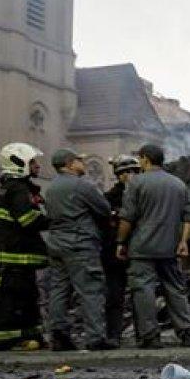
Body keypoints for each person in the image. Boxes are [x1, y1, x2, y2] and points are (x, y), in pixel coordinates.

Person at [117, 144, 190, 349]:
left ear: (145, 159)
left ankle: (150, 337)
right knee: (175, 290)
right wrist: (183, 242)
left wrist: (120, 242)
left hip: (142, 248)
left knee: (144, 290)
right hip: (169, 248)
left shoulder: (137, 183)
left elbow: (127, 218)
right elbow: (189, 217)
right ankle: (187, 332)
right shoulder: (178, 184)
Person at [45, 149, 116, 351]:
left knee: (59, 290)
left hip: (56, 243)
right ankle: (95, 338)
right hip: (80, 243)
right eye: (79, 161)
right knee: (91, 289)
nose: (83, 164)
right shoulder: (81, 185)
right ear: (69, 163)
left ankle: (59, 336)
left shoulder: (51, 188)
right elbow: (103, 208)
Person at [0, 143, 50, 352]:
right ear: (19, 163)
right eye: (32, 162)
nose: (37, 166)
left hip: (14, 258)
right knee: (11, 300)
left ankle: (30, 336)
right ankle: (6, 339)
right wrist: (53, 219)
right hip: (14, 258)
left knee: (26, 298)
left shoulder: (14, 188)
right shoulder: (17, 189)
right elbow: (28, 220)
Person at [103, 155, 141, 343]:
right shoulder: (108, 198)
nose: (131, 175)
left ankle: (144, 335)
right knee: (114, 297)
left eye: (135, 171)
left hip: (139, 252)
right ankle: (113, 335)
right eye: (126, 172)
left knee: (140, 295)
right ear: (119, 175)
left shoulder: (144, 196)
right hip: (114, 255)